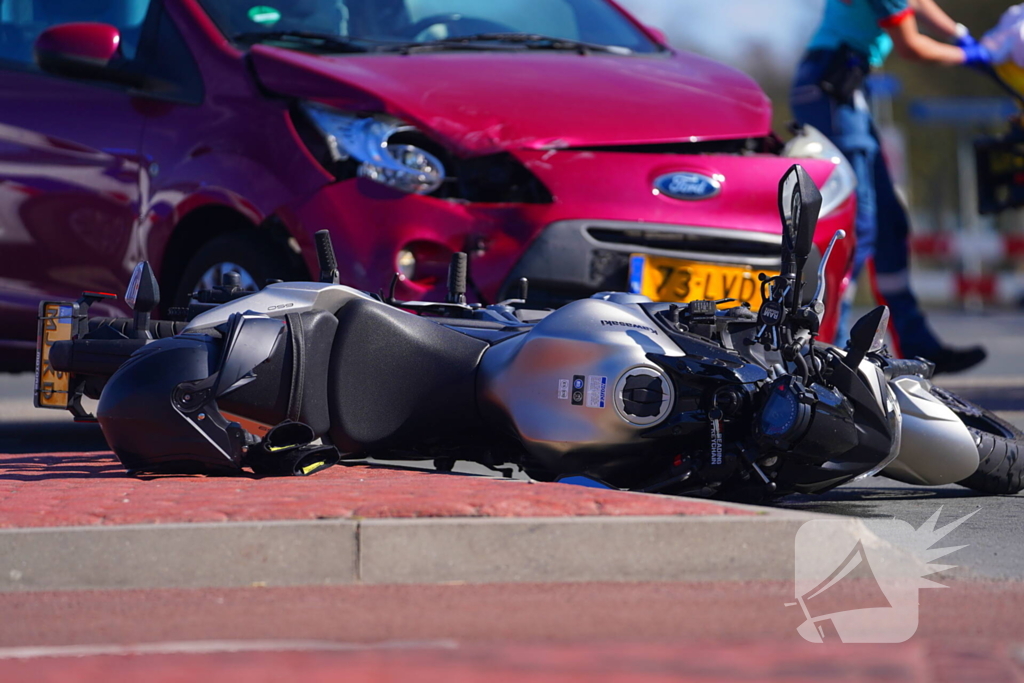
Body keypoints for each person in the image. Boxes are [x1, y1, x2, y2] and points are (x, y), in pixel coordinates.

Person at [791, 0, 991, 374]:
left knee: (888, 222)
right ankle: (822, 350)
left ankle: (916, 345)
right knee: (856, 225)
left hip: (844, 85)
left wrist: (960, 35)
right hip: (832, 84)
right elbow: (910, 45)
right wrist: (972, 57)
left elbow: (920, 3)